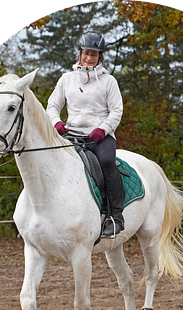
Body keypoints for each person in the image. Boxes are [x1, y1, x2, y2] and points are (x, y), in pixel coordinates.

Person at [46, 31, 125, 236]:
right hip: (71, 135)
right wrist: (57, 123)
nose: (89, 58)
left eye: (94, 54)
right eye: (86, 54)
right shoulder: (66, 79)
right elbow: (53, 106)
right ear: (79, 54)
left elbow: (117, 111)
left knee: (107, 162)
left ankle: (116, 217)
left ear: (100, 57)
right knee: (46, 161)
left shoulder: (109, 82)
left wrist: (103, 129)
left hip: (99, 136)